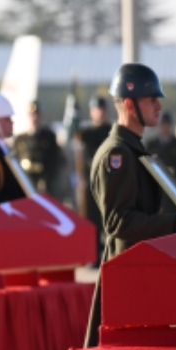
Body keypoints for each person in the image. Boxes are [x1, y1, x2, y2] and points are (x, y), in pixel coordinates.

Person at [84, 63, 176, 348]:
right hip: (127, 278)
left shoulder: (134, 149)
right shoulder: (118, 155)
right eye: (150, 99)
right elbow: (118, 223)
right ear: (129, 104)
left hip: (142, 272)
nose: (158, 105)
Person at [75, 96, 111, 266]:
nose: (100, 112)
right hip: (91, 181)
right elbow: (73, 138)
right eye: (97, 109)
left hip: (109, 180)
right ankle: (95, 254)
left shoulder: (111, 131)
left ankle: (111, 252)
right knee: (93, 218)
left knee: (109, 218)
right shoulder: (86, 133)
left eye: (102, 109)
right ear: (91, 112)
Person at [12, 101, 67, 197]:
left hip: (44, 183)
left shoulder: (49, 137)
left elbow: (56, 160)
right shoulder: (20, 139)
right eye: (32, 114)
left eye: (36, 114)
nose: (34, 117)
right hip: (25, 183)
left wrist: (48, 179)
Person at [144, 111, 176, 214]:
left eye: (167, 124)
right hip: (157, 193)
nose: (165, 127)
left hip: (175, 191)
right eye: (162, 124)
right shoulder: (151, 146)